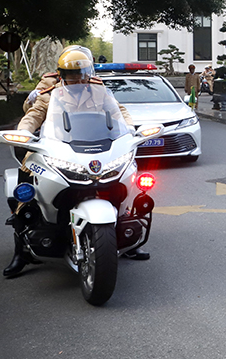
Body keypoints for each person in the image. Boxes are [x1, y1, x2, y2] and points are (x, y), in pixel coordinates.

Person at [9, 49, 144, 276]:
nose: (78, 78)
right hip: (61, 149)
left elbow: (117, 111)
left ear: (88, 71)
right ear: (62, 74)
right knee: (26, 187)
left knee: (131, 184)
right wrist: (24, 133)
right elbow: (33, 116)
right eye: (72, 74)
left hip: (98, 149)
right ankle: (21, 252)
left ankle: (129, 243)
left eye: (82, 73)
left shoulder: (100, 92)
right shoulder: (50, 94)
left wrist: (129, 128)